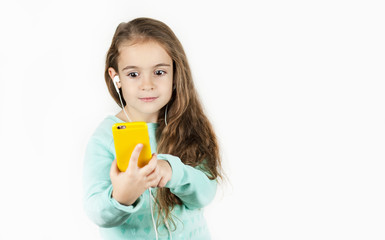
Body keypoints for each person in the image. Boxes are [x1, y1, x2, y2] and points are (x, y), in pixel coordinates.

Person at [83, 17, 223, 240]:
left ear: (176, 74)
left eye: (159, 72)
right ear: (115, 77)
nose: (147, 84)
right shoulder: (105, 136)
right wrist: (121, 196)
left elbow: (206, 193)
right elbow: (96, 210)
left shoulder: (189, 125)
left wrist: (172, 171)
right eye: (133, 74)